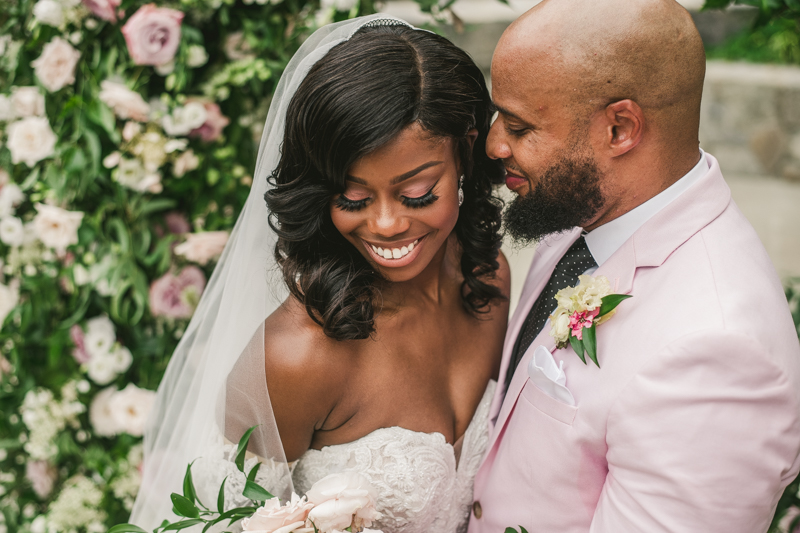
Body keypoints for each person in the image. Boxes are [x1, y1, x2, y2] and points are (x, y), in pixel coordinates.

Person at [130, 15, 510, 533]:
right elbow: (216, 523)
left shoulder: (487, 279)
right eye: (351, 198)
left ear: (466, 151)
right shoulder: (296, 356)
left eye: (416, 193)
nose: (386, 224)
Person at [468, 0, 800, 531]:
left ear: (620, 129)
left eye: (519, 125)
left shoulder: (719, 351)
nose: (493, 143)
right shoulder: (582, 208)